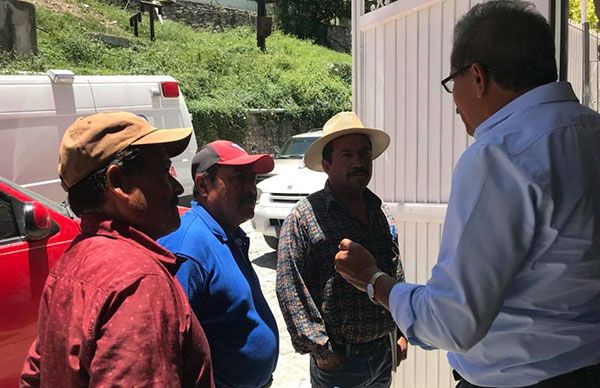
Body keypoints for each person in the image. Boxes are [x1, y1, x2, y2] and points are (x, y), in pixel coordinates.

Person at [334, 1, 600, 388]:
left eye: (451, 82)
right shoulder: (590, 132)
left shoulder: (500, 156)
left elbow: (452, 321)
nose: (455, 104)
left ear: (477, 77)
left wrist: (374, 281)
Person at [20, 111, 214, 387]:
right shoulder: (138, 282)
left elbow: (34, 372)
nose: (176, 186)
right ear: (119, 183)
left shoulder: (72, 261)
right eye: (162, 172)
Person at [276, 111, 406, 388]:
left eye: (364, 153)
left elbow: (394, 270)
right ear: (326, 164)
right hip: (339, 364)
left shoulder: (380, 211)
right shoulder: (304, 217)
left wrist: (400, 330)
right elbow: (290, 287)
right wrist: (320, 348)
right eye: (346, 155)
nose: (358, 162)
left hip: (382, 353)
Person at [159, 140, 279, 388]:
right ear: (203, 185)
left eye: (252, 179)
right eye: (238, 178)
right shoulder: (188, 248)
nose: (250, 189)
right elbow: (170, 348)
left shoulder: (228, 233)